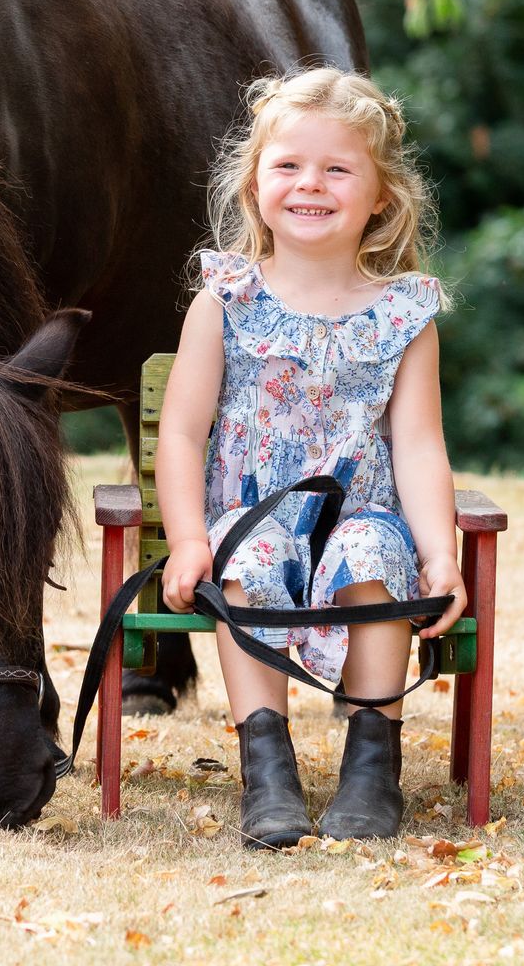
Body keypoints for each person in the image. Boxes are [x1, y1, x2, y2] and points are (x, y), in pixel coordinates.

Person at [155, 66, 467, 849]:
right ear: (255, 184)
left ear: (381, 195)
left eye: (337, 168)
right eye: (287, 166)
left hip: (361, 515)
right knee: (245, 556)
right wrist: (190, 538)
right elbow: (182, 433)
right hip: (252, 516)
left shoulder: (404, 314)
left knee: (372, 548)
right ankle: (269, 767)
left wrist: (442, 553)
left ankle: (371, 764)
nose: (310, 185)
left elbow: (420, 442)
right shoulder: (224, 299)